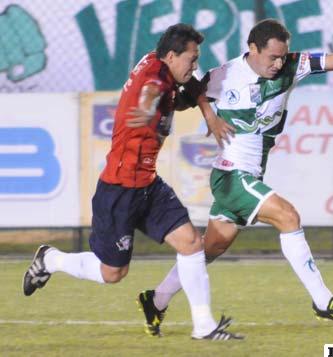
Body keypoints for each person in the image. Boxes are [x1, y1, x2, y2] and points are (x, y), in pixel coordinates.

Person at [132, 19, 333, 337]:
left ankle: (156, 300)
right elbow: (193, 91)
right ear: (253, 49)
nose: (278, 63)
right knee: (288, 216)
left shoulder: (291, 66)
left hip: (250, 174)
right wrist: (209, 117)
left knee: (209, 249)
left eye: (282, 56)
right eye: (272, 57)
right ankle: (324, 302)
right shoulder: (226, 75)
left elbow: (327, 60)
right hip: (232, 175)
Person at [22, 23, 242, 341]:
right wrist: (148, 104)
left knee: (192, 244)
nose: (195, 66)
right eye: (192, 59)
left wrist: (208, 113)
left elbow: (191, 86)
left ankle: (204, 326)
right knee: (112, 273)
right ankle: (50, 258)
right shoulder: (155, 79)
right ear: (171, 55)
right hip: (119, 189)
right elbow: (151, 89)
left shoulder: (161, 64)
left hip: (148, 185)